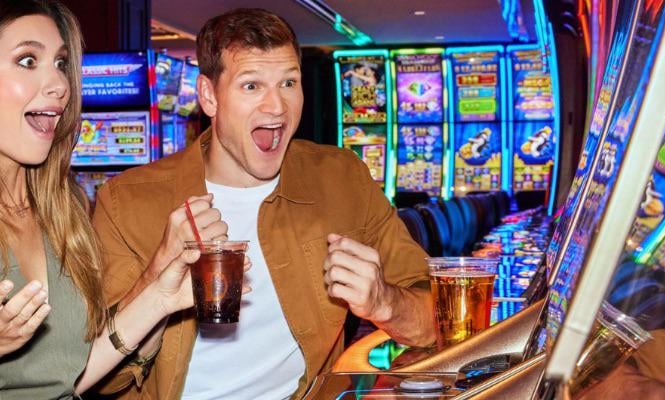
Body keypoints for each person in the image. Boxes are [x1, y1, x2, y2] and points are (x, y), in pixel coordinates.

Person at [0, 1, 230, 399]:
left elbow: (65, 379)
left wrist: (159, 297)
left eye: (60, 63)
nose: (59, 84)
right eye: (28, 60)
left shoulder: (61, 209)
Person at [92, 8, 435, 400]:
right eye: (252, 85)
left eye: (289, 82)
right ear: (209, 96)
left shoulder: (342, 178)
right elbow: (99, 379)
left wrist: (384, 302)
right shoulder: (127, 201)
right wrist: (156, 277)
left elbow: (435, 321)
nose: (277, 106)